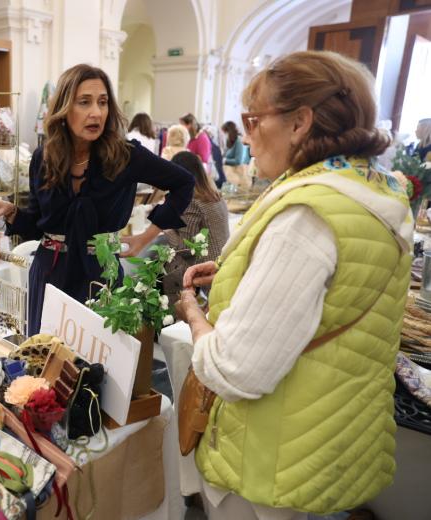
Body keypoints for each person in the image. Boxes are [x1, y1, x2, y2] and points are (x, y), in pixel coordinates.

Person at [175, 50, 413, 520]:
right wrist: (241, 274)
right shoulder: (369, 192)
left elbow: (235, 369)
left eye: (253, 119)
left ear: (300, 122)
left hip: (271, 457)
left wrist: (195, 316)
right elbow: (338, 292)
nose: (247, 136)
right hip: (322, 434)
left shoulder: (305, 215)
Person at [0, 64, 194, 335]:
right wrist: (11, 211)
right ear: (65, 109)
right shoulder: (44, 158)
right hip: (50, 274)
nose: (96, 113)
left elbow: (184, 183)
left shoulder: (126, 156)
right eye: (84, 102)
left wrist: (145, 237)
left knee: (98, 367)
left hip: (101, 276)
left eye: (103, 103)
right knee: (46, 363)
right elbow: (40, 226)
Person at [161, 151, 229, 300]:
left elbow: (187, 249)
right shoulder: (215, 195)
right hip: (222, 263)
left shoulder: (191, 201)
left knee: (168, 260)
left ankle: (175, 314)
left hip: (205, 271)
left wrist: (164, 228)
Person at [221, 120, 251, 187]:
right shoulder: (230, 142)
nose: (223, 135)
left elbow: (238, 160)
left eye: (224, 132)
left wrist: (225, 160)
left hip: (239, 173)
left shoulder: (238, 141)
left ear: (229, 131)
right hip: (231, 176)